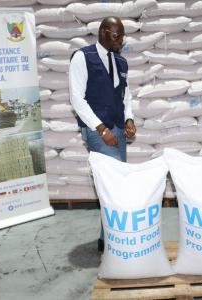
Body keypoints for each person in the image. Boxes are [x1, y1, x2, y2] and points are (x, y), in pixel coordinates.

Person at [69, 17, 136, 252]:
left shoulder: (121, 61)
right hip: (97, 130)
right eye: (117, 36)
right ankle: (114, 240)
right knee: (115, 180)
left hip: (118, 126)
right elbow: (77, 99)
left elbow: (125, 95)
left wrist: (129, 118)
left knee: (114, 184)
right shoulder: (82, 58)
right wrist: (101, 129)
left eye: (122, 36)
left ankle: (105, 238)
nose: (121, 40)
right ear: (103, 33)